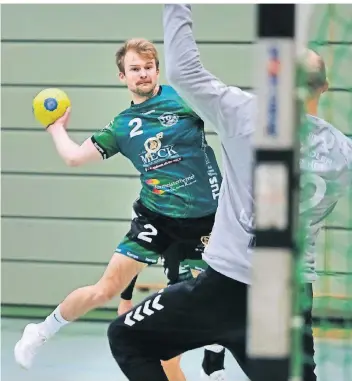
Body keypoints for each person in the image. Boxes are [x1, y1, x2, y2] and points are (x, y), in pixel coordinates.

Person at [106, 5, 352, 381]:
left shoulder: (248, 116)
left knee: (125, 336)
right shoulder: (342, 152)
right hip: (290, 297)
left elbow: (185, 71)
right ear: (324, 87)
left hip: (226, 289)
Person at [14, 37, 224, 381]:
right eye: (134, 70)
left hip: (207, 220)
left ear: (157, 70)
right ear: (122, 77)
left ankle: (214, 359)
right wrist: (56, 129)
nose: (142, 74)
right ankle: (40, 332)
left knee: (216, 298)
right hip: (157, 217)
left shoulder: (184, 99)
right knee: (106, 289)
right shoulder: (123, 126)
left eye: (148, 68)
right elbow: (73, 157)